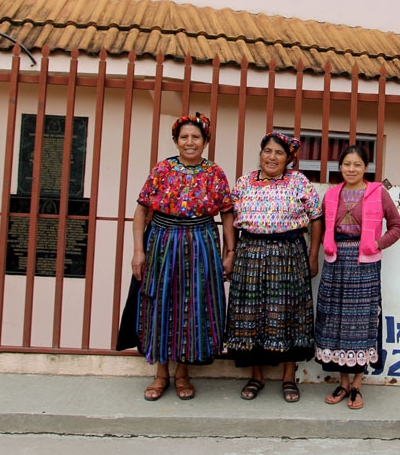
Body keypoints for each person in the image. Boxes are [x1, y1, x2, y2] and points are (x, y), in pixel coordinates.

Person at [131, 112, 234, 401]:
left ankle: (183, 373)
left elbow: (227, 214)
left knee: (192, 307)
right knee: (161, 304)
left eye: (196, 137)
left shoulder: (215, 173)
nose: (190, 142)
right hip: (162, 242)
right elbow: (142, 209)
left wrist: (230, 252)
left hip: (201, 243)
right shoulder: (162, 170)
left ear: (205, 141)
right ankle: (160, 374)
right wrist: (139, 251)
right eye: (184, 137)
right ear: (176, 141)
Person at [222, 131, 322, 403]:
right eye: (268, 151)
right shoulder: (244, 182)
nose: (272, 157)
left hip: (288, 254)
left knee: (288, 313)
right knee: (251, 315)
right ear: (261, 153)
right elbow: (229, 216)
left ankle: (288, 377)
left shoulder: (298, 182)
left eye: (279, 153)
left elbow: (316, 218)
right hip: (249, 254)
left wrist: (313, 255)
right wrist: (229, 253)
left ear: (288, 158)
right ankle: (257, 375)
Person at [315, 145, 400, 409]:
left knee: (361, 321)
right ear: (339, 167)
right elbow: (322, 225)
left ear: (366, 168)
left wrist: (376, 244)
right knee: (336, 320)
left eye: (356, 165)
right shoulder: (331, 194)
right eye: (346, 164)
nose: (351, 169)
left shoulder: (378, 193)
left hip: (364, 266)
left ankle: (357, 385)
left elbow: (397, 227)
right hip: (335, 263)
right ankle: (343, 383)